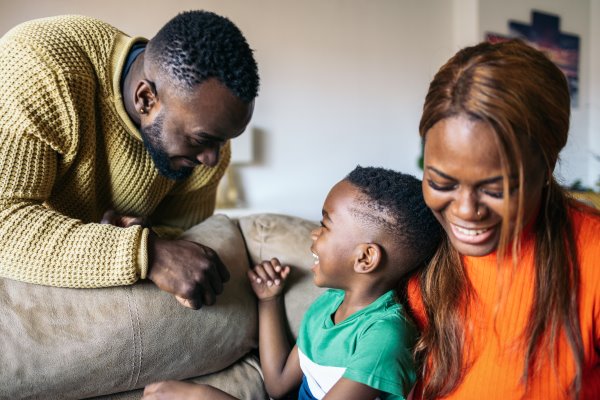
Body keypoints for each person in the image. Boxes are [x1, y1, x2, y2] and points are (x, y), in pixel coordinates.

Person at [0, 10, 259, 309]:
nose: (213, 159)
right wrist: (147, 253)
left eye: (223, 140)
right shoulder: (39, 69)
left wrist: (145, 234)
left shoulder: (203, 149)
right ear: (146, 99)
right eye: (202, 140)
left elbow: (185, 239)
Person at [141, 166, 443, 400]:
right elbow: (278, 383)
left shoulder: (382, 340)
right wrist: (269, 300)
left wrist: (206, 395)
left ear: (365, 258)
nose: (314, 235)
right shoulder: (329, 304)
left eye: (324, 225)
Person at [408, 39, 600, 399]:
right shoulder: (409, 238)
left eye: (496, 189)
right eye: (440, 182)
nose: (465, 210)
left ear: (547, 167)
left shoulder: (593, 256)